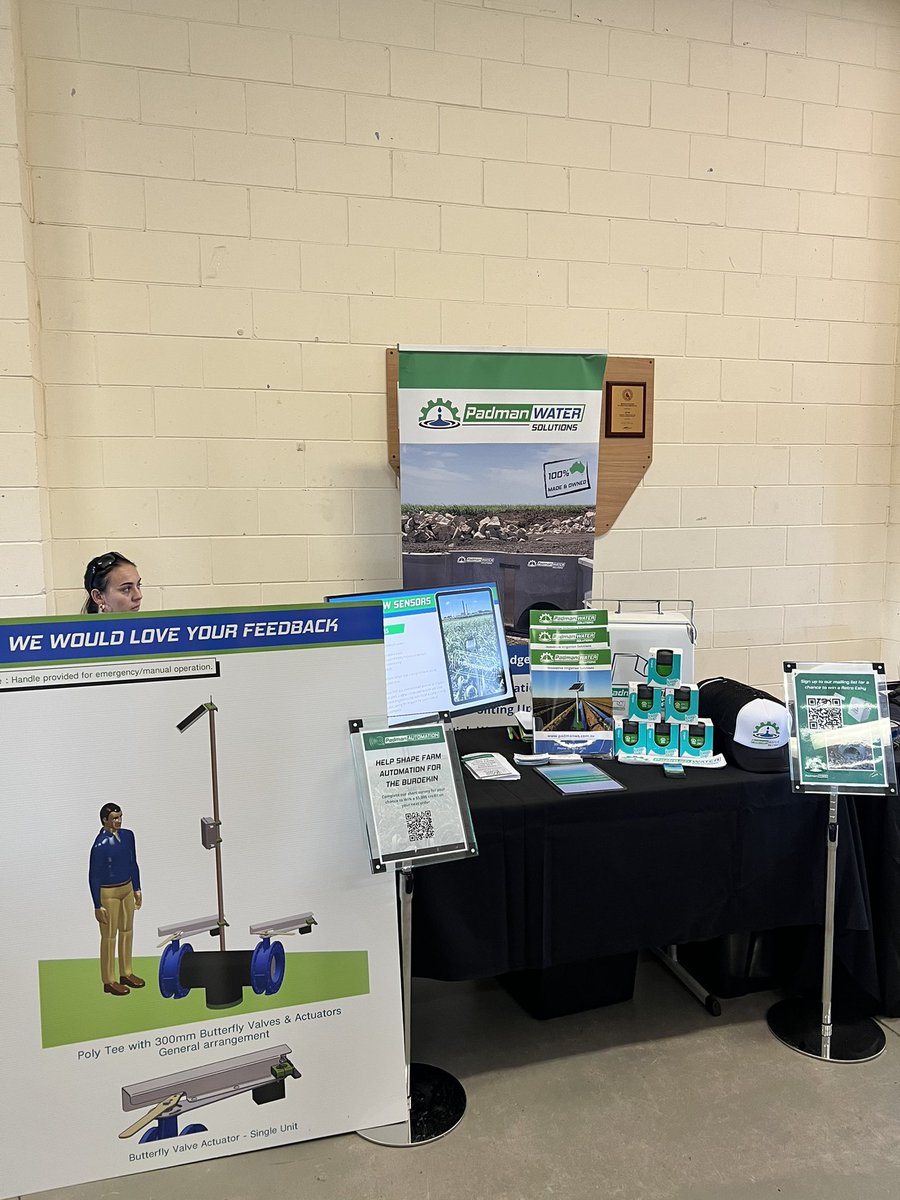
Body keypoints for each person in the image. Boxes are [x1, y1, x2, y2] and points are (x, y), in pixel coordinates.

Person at [88, 803, 145, 996]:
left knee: (127, 930)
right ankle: (109, 979)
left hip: (127, 887)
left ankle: (126, 972)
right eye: (114, 818)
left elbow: (132, 861)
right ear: (105, 820)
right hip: (109, 892)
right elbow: (93, 876)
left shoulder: (128, 836)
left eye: (120, 816)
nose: (118, 821)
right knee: (109, 936)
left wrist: (137, 887)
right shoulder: (100, 845)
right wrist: (97, 904)